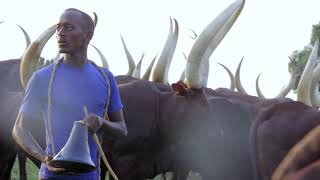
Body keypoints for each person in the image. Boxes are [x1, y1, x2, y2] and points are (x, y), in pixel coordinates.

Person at [12, 8, 127, 180]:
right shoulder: (42, 78)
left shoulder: (106, 78)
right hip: (51, 176)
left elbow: (121, 129)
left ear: (87, 36)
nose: (60, 33)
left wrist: (101, 122)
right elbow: (19, 128)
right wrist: (44, 158)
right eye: (58, 28)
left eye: (68, 28)